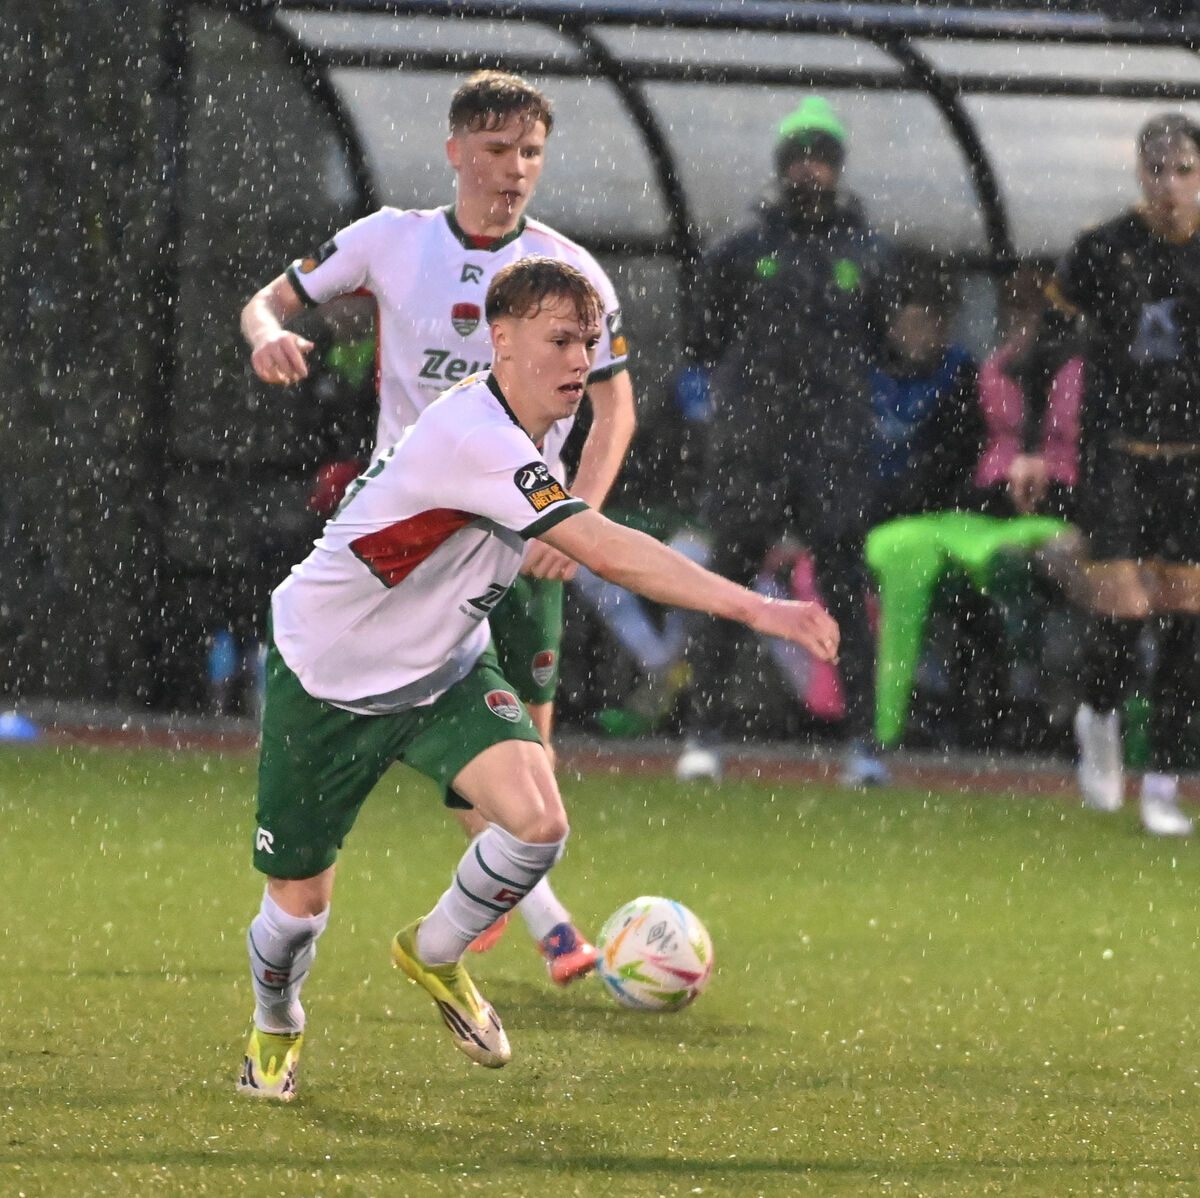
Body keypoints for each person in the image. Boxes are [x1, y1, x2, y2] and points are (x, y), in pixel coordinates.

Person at [235, 257, 840, 1100]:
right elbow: (604, 548)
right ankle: (276, 1026)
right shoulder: (475, 435)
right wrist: (761, 608)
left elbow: (586, 517)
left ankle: (435, 952)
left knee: (537, 820)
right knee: (296, 906)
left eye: (588, 343)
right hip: (328, 674)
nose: (578, 361)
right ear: (502, 341)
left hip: (443, 664)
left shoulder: (531, 429)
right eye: (559, 340)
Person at [241, 71, 637, 980]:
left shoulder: (570, 274)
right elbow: (268, 301)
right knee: (454, 743)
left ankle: (502, 903)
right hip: (411, 545)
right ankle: (547, 926)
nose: (515, 169)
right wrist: (267, 333)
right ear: (456, 150)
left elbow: (616, 414)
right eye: (497, 150)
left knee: (527, 753)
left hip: (521, 538)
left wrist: (575, 517)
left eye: (531, 152)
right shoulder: (391, 241)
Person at [673, 95, 890, 787]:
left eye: (820, 157)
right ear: (781, 165)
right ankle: (704, 734)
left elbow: (884, 346)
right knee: (729, 581)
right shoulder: (741, 252)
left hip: (834, 445)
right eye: (797, 157)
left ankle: (861, 745)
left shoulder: (868, 254)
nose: (809, 169)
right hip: (754, 442)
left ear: (837, 166)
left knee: (844, 587)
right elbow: (702, 340)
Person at [1049, 113, 1200, 836]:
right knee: (1122, 616)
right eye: (1157, 170)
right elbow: (1049, 341)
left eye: (1184, 171)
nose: (1169, 186)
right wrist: (1026, 441)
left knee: (1185, 625)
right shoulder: (1102, 249)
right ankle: (1098, 721)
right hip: (1115, 454)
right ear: (1139, 173)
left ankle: (1165, 784)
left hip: (1193, 463)